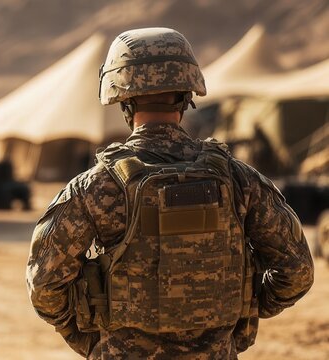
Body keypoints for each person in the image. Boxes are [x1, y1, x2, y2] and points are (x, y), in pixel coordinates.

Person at [25, 27, 313, 359]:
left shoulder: (95, 188)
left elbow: (45, 287)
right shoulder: (240, 181)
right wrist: (243, 309)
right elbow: (298, 270)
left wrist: (92, 342)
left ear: (123, 99)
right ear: (186, 95)